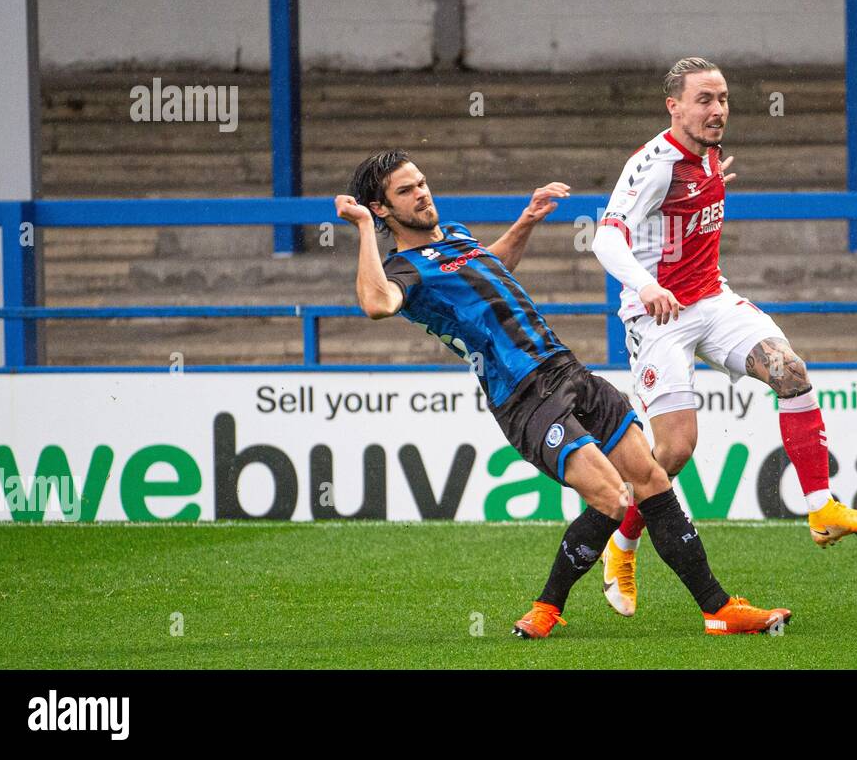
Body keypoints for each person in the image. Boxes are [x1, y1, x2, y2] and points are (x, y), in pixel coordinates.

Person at [335, 149, 790, 637]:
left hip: (568, 369)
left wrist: (526, 221)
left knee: (651, 479)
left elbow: (494, 266)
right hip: (524, 394)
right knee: (613, 499)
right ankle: (548, 606)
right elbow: (375, 303)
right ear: (381, 209)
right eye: (406, 191)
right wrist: (361, 227)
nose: (422, 193)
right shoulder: (403, 271)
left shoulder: (456, 237)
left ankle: (717, 610)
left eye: (421, 182)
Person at [591, 57, 857, 618]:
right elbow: (606, 241)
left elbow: (683, 212)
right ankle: (621, 546)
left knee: (790, 372)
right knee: (673, 452)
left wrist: (709, 185)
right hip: (659, 317)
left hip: (712, 300)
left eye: (723, 98)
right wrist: (648, 285)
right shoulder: (653, 165)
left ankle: (822, 510)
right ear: (673, 106)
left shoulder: (703, 161)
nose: (717, 110)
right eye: (704, 99)